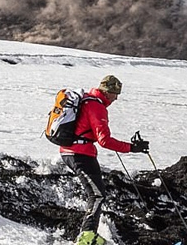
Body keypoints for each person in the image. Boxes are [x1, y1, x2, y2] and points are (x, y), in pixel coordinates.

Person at [60, 75, 150, 245]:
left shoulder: (87, 100)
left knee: (97, 193)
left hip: (71, 151)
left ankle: (90, 235)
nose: (116, 98)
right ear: (108, 92)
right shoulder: (96, 106)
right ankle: (86, 237)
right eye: (115, 94)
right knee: (97, 195)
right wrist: (132, 148)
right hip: (80, 153)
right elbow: (105, 141)